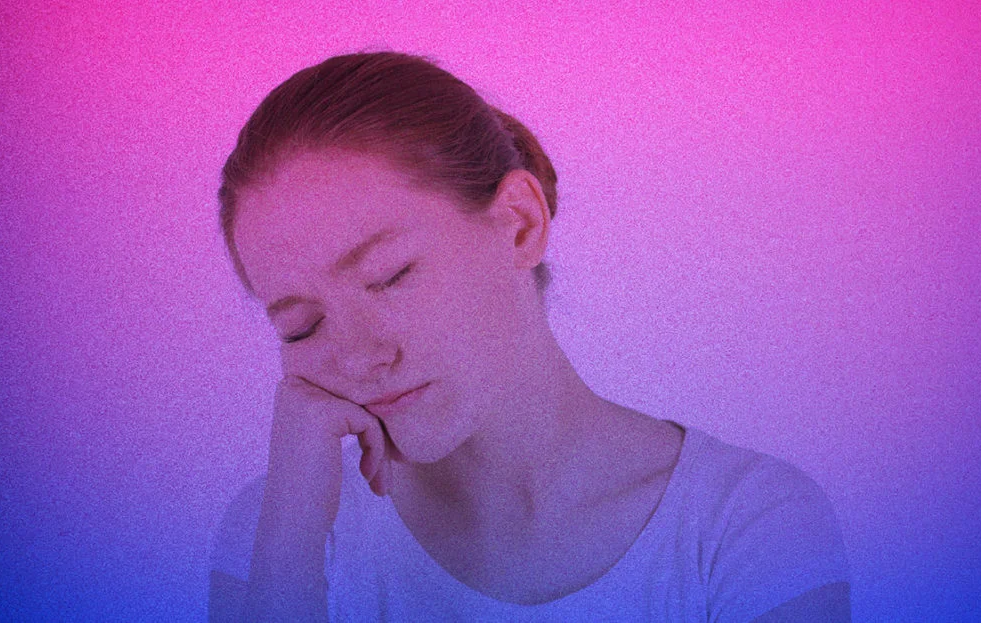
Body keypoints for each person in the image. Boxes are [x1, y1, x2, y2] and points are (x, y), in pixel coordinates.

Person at [208, 52, 850, 622]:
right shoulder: (277, 534)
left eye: (390, 276)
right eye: (302, 326)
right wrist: (286, 551)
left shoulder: (749, 525)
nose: (358, 357)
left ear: (519, 224)